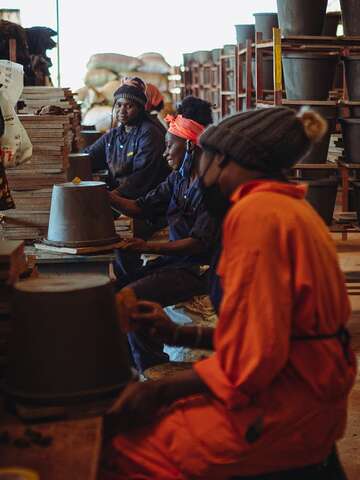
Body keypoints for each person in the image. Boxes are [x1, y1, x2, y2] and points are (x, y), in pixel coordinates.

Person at [102, 107, 356, 480]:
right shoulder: (288, 207)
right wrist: (179, 334)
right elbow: (270, 335)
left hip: (289, 406)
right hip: (308, 390)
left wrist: (157, 392)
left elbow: (255, 362)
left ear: (223, 159)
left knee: (128, 451)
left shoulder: (257, 216)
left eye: (203, 156)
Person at [109, 96, 218, 373]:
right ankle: (130, 364)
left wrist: (148, 247)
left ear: (190, 145)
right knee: (114, 286)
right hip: (177, 263)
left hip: (199, 269)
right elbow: (138, 206)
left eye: (170, 146)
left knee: (132, 296)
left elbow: (197, 243)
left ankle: (151, 366)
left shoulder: (210, 188)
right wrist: (100, 195)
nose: (165, 152)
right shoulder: (178, 178)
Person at [85, 79, 170, 202]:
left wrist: (110, 197)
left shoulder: (149, 134)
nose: (122, 111)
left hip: (145, 202)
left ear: (140, 109)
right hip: (120, 197)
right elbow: (89, 156)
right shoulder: (114, 135)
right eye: (119, 105)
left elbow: (141, 178)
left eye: (129, 106)